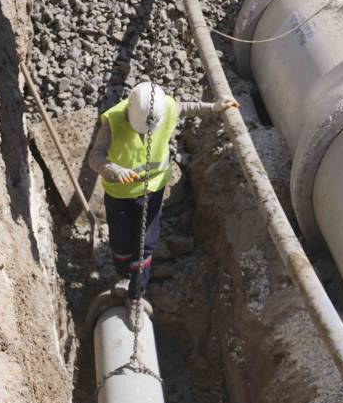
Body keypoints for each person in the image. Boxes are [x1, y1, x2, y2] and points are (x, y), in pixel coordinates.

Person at [87, 81, 237, 308]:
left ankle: (136, 297)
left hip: (153, 191)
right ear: (129, 110)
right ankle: (124, 276)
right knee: (120, 242)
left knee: (145, 245)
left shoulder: (164, 107)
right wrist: (114, 170)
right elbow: (95, 157)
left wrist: (213, 107)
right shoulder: (113, 120)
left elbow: (186, 108)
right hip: (120, 194)